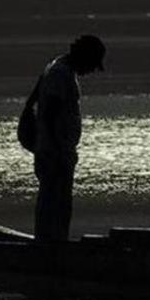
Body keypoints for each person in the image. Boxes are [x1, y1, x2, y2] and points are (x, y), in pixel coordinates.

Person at [33, 34, 105, 241]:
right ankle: (50, 248)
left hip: (55, 151)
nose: (91, 70)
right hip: (55, 153)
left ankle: (51, 244)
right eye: (92, 64)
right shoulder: (60, 74)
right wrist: (58, 152)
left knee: (55, 205)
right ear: (84, 56)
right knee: (55, 206)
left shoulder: (58, 68)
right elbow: (49, 115)